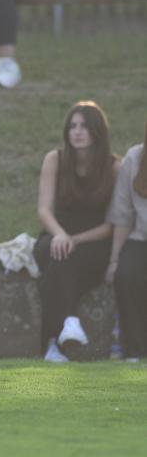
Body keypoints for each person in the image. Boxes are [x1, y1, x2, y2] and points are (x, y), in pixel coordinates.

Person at [34, 101, 118, 363]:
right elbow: (44, 210)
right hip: (54, 236)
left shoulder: (115, 167)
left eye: (84, 126)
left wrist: (75, 240)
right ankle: (69, 323)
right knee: (59, 254)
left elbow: (111, 225)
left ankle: (52, 345)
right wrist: (60, 235)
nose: (77, 131)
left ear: (97, 131)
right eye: (72, 126)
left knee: (57, 269)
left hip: (93, 242)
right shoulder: (55, 160)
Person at [107, 121, 147, 361]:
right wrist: (113, 261)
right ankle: (134, 351)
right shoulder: (135, 158)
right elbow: (122, 215)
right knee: (126, 273)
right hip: (141, 238)